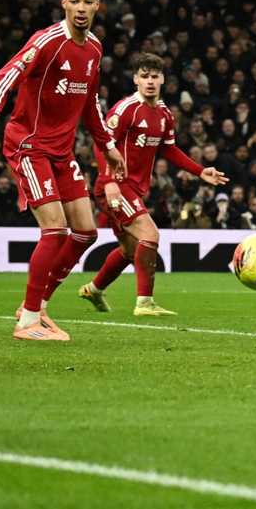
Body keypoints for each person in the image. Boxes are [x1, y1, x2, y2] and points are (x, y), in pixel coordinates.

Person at [0, 0, 126, 341]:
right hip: (28, 145)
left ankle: (38, 306)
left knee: (86, 232)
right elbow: (4, 77)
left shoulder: (94, 48)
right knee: (55, 230)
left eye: (88, 1)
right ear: (63, 3)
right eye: (74, 0)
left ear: (96, 6)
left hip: (61, 152)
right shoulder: (47, 41)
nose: (80, 8)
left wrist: (107, 144)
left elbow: (90, 101)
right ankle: (27, 320)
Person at [79, 52, 227, 317]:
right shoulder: (126, 109)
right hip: (115, 185)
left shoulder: (164, 114)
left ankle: (94, 288)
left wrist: (200, 170)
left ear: (163, 80)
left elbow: (169, 150)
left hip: (133, 188)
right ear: (136, 79)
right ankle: (144, 303)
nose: (149, 81)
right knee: (151, 235)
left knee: (129, 250)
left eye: (155, 76)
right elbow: (102, 144)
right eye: (144, 76)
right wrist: (111, 180)